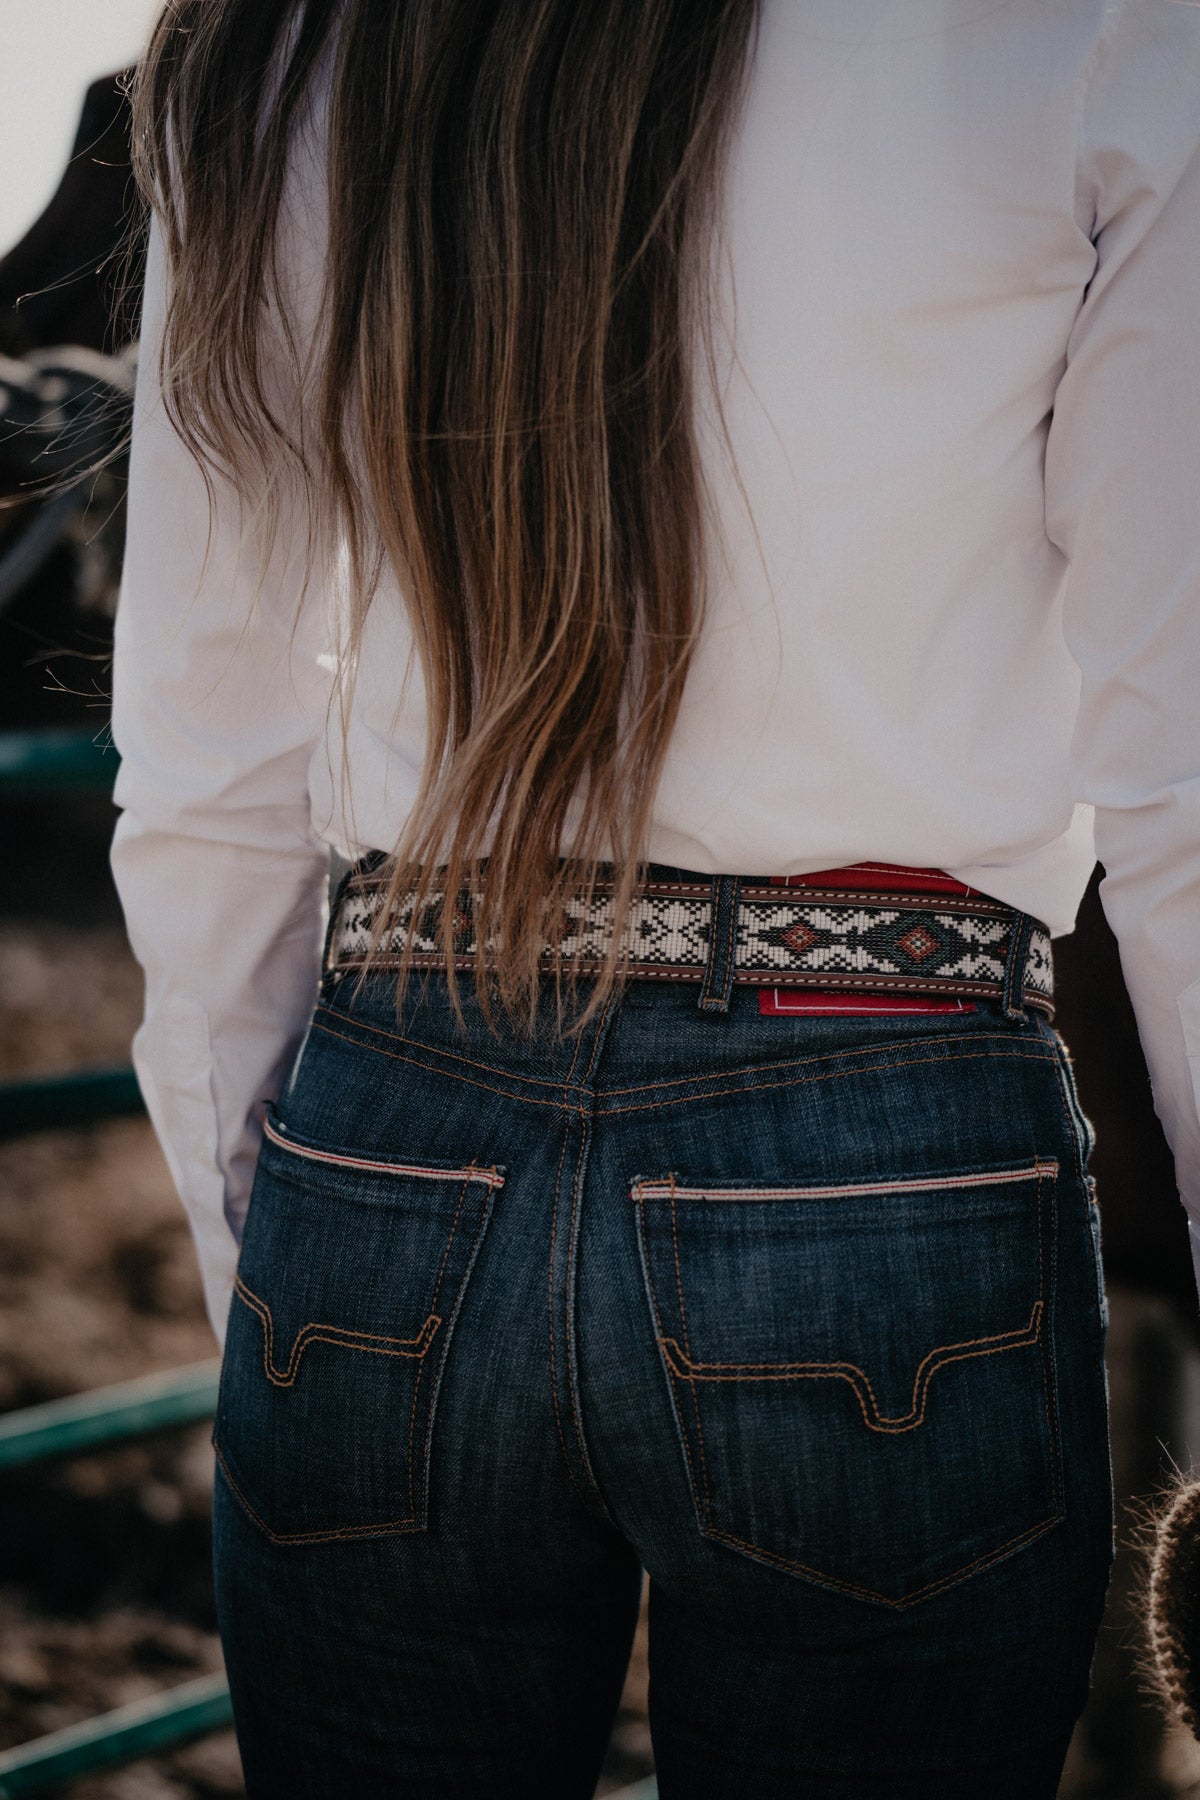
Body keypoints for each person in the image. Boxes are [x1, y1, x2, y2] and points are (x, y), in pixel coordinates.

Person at [108, 2, 1200, 1795]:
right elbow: (1180, 779)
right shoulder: (1087, 33)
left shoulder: (281, 45)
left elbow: (209, 777)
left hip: (387, 1156)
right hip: (888, 1140)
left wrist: (285, 1285)